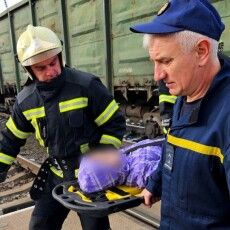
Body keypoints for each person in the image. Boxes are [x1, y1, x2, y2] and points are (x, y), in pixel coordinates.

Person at [0, 25, 126, 230]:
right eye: (41, 68)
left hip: (90, 176)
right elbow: (11, 139)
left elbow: (115, 124)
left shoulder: (86, 86)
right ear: (29, 70)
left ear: (60, 56)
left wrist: (100, 159)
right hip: (56, 175)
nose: (51, 71)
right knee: (39, 226)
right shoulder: (26, 102)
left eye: (53, 62)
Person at [130, 0, 230, 228]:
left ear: (202, 51)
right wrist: (156, 184)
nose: (157, 75)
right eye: (154, 62)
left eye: (165, 61)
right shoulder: (186, 94)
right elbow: (172, 144)